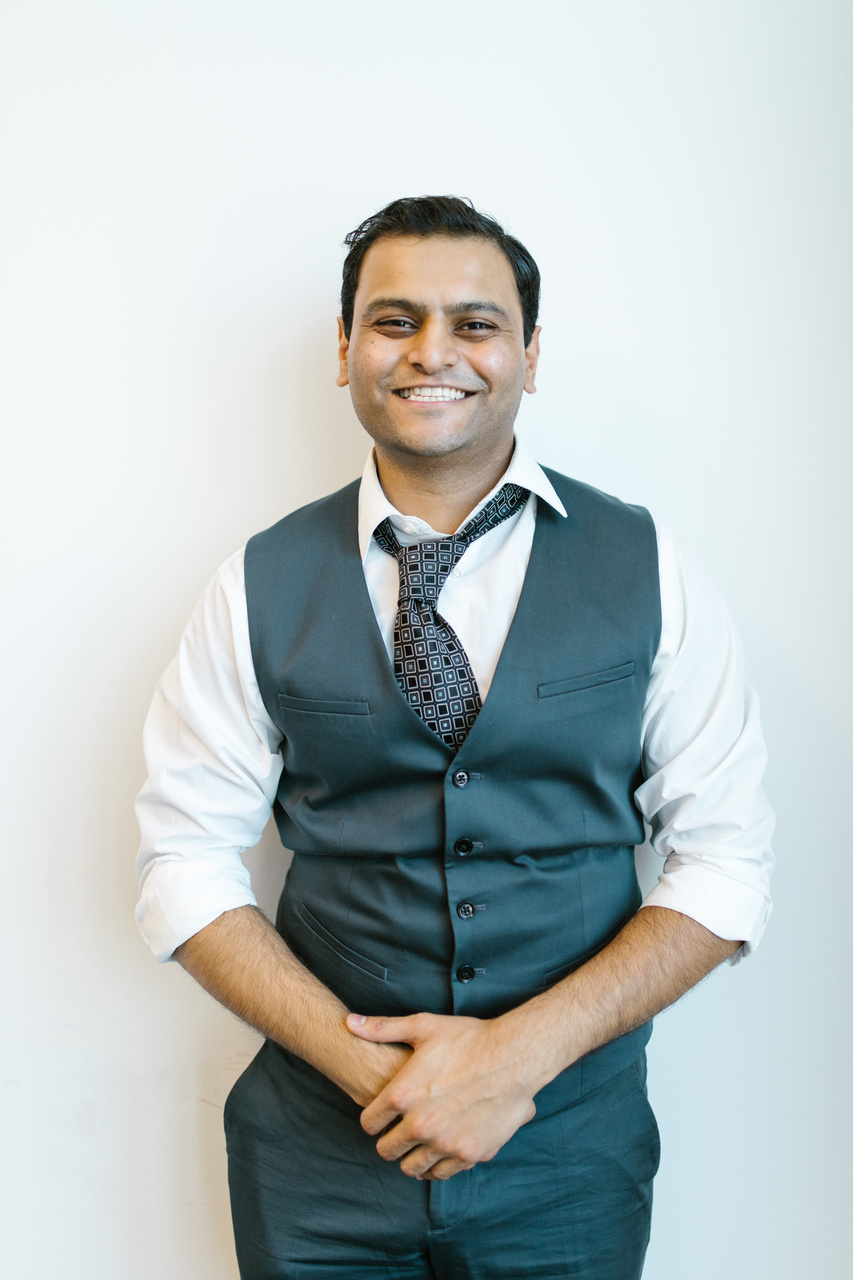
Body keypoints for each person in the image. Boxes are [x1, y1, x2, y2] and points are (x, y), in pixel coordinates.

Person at [135, 196, 774, 1280]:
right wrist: (376, 1072)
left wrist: (515, 1057)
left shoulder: (648, 565)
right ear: (345, 352)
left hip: (567, 1149)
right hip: (317, 1154)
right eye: (394, 320)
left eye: (475, 323)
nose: (434, 351)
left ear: (529, 350)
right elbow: (184, 865)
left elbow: (725, 863)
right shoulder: (255, 580)